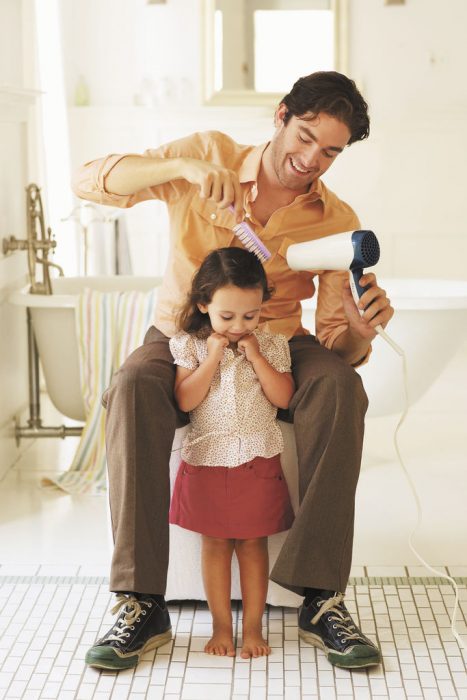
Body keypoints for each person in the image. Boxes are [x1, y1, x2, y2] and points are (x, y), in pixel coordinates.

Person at [74, 70, 394, 672]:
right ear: (280, 116)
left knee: (340, 384)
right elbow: (91, 180)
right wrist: (181, 171)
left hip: (277, 341)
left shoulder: (334, 218)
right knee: (134, 384)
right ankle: (141, 601)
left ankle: (321, 597)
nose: (310, 160)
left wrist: (358, 330)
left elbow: (336, 344)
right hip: (183, 333)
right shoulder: (206, 157)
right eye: (304, 137)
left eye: (330, 151)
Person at [168, 246, 295, 659]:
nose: (239, 325)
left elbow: (283, 396)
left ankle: (254, 627)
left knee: (253, 545)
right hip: (208, 458)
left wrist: (256, 356)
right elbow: (186, 400)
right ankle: (222, 626)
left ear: (262, 308)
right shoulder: (190, 345)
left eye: (250, 315)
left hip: (257, 457)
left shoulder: (273, 345)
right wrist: (214, 358)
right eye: (227, 316)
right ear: (204, 304)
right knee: (216, 545)